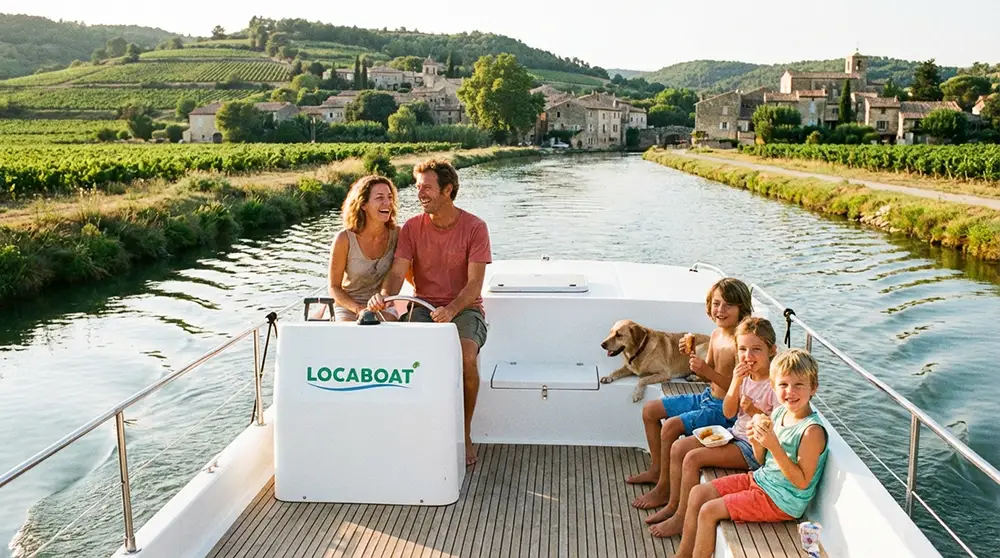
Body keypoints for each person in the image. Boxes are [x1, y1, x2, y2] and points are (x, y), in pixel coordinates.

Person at [368, 158, 492, 466]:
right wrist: (385, 296)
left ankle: (464, 434)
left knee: (465, 357)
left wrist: (450, 310)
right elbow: (397, 274)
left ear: (447, 190)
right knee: (407, 361)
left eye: (427, 187)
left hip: (464, 309)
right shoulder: (411, 228)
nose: (419, 193)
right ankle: (414, 430)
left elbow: (475, 285)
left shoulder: (475, 228)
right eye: (417, 186)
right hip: (422, 307)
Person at [673, 348, 829, 558]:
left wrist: (773, 445)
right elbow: (761, 459)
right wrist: (757, 440)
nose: (790, 392)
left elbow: (801, 482)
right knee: (698, 493)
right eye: (783, 384)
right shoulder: (780, 412)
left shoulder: (811, 431)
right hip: (762, 480)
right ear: (773, 386)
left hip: (781, 500)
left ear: (814, 388)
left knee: (709, 511)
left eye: (798, 385)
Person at [648, 316, 780, 537]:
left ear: (772, 350)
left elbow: (775, 427)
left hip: (753, 449)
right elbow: (729, 412)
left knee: (692, 458)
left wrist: (755, 411)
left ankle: (680, 518)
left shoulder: (776, 384)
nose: (748, 356)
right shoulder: (746, 376)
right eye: (743, 350)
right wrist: (736, 382)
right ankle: (672, 505)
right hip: (734, 433)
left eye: (756, 349)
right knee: (680, 448)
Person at [629, 277, 752, 510]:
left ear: (742, 308)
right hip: (707, 396)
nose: (720, 310)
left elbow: (741, 389)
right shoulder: (716, 334)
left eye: (728, 305)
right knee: (650, 410)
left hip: (725, 411)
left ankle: (664, 489)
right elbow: (708, 376)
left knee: (671, 426)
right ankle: (657, 470)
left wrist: (707, 371)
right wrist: (695, 363)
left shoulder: (741, 342)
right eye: (716, 303)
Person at [324, 175, 400, 322]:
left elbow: (399, 273)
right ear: (363, 204)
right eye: (379, 198)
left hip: (382, 304)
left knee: (390, 331)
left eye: (390, 197)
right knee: (349, 334)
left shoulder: (397, 235)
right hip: (348, 306)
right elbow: (334, 287)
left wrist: (383, 300)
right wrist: (359, 309)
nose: (387, 203)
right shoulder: (344, 239)